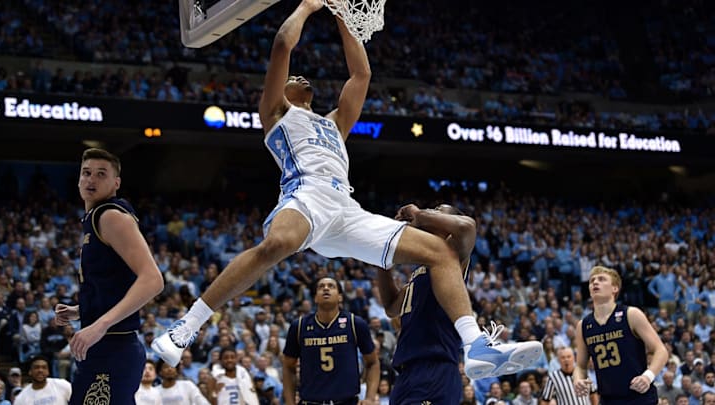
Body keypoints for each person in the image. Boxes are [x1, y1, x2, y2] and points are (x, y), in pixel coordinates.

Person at [153, 3, 541, 380]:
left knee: (441, 252)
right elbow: (282, 46)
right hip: (306, 195)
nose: (302, 78)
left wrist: (341, 13)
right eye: (295, 78)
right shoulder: (275, 114)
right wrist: (307, 7)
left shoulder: (334, 123)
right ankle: (186, 327)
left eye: (305, 77)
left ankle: (475, 347)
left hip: (346, 208)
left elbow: (361, 76)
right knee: (276, 244)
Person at [378, 203, 537, 403]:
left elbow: (467, 227)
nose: (431, 211)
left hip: (435, 370)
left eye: (437, 210)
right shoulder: (420, 272)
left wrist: (419, 215)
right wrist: (381, 259)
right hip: (406, 373)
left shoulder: (453, 255)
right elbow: (392, 307)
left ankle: (480, 346)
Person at [55, 148, 165, 404]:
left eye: (101, 174)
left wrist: (100, 324)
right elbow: (115, 285)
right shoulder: (95, 218)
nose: (91, 179)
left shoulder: (111, 216)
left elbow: (153, 280)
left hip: (114, 346)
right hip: (106, 347)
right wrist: (82, 310)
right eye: (86, 173)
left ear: (116, 183)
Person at [574, 266, 668, 404]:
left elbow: (661, 350)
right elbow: (581, 366)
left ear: (615, 288)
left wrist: (648, 376)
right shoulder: (583, 325)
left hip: (639, 396)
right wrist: (578, 380)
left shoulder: (631, 314)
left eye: (601, 279)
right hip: (608, 399)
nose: (595, 282)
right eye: (592, 280)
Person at [282, 277, 379, 405]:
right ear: (315, 297)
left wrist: (370, 398)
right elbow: (288, 367)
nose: (326, 288)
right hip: (310, 401)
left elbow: (373, 363)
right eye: (321, 287)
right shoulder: (299, 326)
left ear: (340, 297)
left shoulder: (355, 324)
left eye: (331, 286)